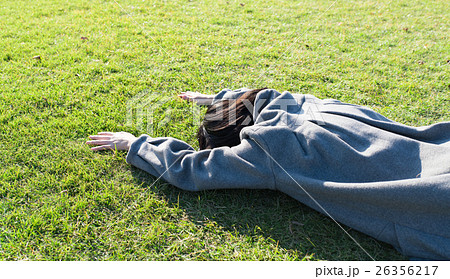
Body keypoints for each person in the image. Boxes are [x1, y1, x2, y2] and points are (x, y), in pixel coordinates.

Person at [87, 88, 450, 260]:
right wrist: (217, 100)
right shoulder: (313, 104)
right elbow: (267, 95)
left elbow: (191, 170)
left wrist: (134, 143)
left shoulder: (268, 149)